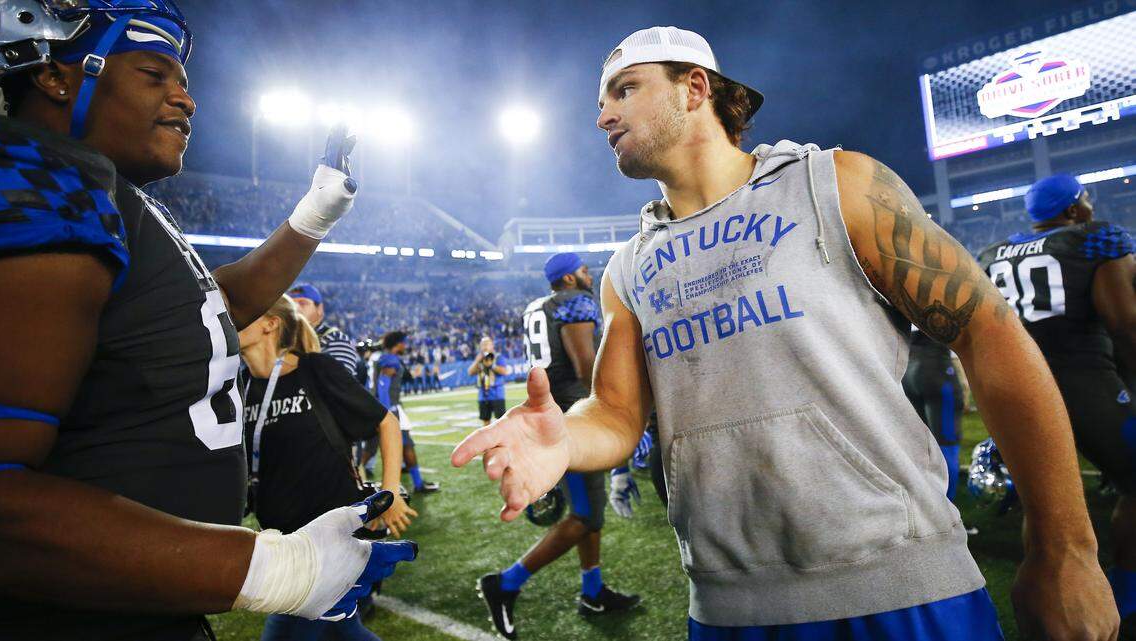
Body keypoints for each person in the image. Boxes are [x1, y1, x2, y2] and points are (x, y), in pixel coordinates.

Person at [453, 26, 1117, 640]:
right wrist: (564, 437)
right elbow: (619, 415)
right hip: (725, 607)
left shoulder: (836, 184)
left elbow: (988, 334)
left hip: (904, 588)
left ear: (695, 88)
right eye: (603, 102)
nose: (603, 116)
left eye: (624, 90)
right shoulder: (628, 268)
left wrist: (1065, 545)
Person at [0, 4, 414, 639]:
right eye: (154, 74)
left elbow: (197, 314)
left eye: (183, 80)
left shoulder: (112, 194)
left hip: (135, 606)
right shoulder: (45, 183)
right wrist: (276, 570)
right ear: (56, 76)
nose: (185, 100)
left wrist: (317, 212)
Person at [977, 173, 1136, 633]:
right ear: (1072, 209)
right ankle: (1126, 601)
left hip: (1021, 388)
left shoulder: (992, 253)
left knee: (1044, 506)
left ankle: (1050, 610)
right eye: (1084, 201)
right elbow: (1125, 324)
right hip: (1084, 381)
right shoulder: (1096, 238)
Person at [477, 253, 639, 641]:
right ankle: (505, 583)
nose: (589, 275)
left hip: (556, 411)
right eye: (583, 270)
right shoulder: (576, 303)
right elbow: (586, 368)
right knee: (583, 515)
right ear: (568, 278)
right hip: (572, 418)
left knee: (592, 510)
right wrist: (613, 417)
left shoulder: (540, 306)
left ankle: (593, 590)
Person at [239, 295, 417, 641]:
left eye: (242, 313)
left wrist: (391, 491)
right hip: (285, 542)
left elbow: (387, 422)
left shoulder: (314, 369)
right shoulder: (241, 386)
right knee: (342, 631)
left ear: (270, 324)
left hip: (330, 540)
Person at [902, 328, 965, 502]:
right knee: (947, 445)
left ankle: (923, 509)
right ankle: (947, 516)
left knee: (918, 446)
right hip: (936, 367)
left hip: (909, 367)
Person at [377, 331, 439, 494]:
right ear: (397, 344)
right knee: (407, 446)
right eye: (403, 342)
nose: (405, 346)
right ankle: (418, 484)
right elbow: (383, 384)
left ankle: (412, 483)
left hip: (389, 407)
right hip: (391, 409)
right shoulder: (391, 359)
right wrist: (387, 409)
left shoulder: (386, 358)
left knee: (394, 447)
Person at [290, 282, 362, 380]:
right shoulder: (282, 338)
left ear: (319, 309)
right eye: (291, 304)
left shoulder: (334, 340)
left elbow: (340, 386)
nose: (296, 308)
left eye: (303, 303)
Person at [469, 336, 509, 426]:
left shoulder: (498, 357)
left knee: (501, 422)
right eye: (482, 344)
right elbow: (470, 372)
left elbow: (505, 372)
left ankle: (502, 440)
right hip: (483, 395)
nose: (485, 346)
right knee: (485, 422)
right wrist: (477, 361)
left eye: (487, 344)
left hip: (497, 394)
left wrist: (492, 366)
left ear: (492, 346)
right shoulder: (479, 359)